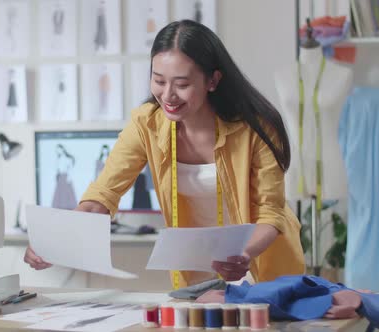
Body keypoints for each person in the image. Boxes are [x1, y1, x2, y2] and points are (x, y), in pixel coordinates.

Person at [24, 20, 305, 287]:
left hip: (261, 263)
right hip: (199, 273)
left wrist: (241, 253)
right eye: (159, 80)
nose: (168, 95)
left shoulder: (256, 128)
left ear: (213, 80)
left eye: (182, 84)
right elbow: (102, 196)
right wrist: (54, 240)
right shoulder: (146, 124)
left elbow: (271, 215)